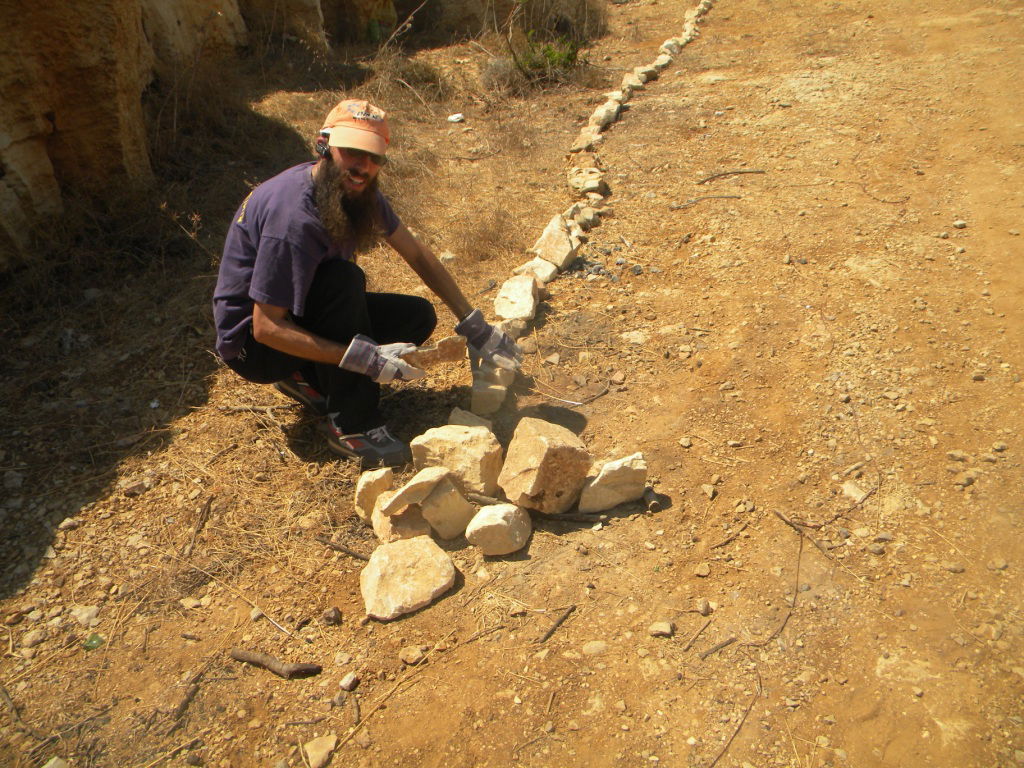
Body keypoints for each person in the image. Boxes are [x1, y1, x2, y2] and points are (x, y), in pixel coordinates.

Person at [213, 99, 521, 467]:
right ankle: (351, 425)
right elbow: (266, 328)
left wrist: (473, 323)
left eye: (374, 158)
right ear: (324, 145)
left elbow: (418, 255)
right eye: (353, 153)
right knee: (344, 280)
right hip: (254, 347)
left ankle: (306, 376)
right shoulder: (294, 219)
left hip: (295, 315)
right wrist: (366, 359)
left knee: (416, 317)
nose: (363, 167)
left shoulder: (357, 192)